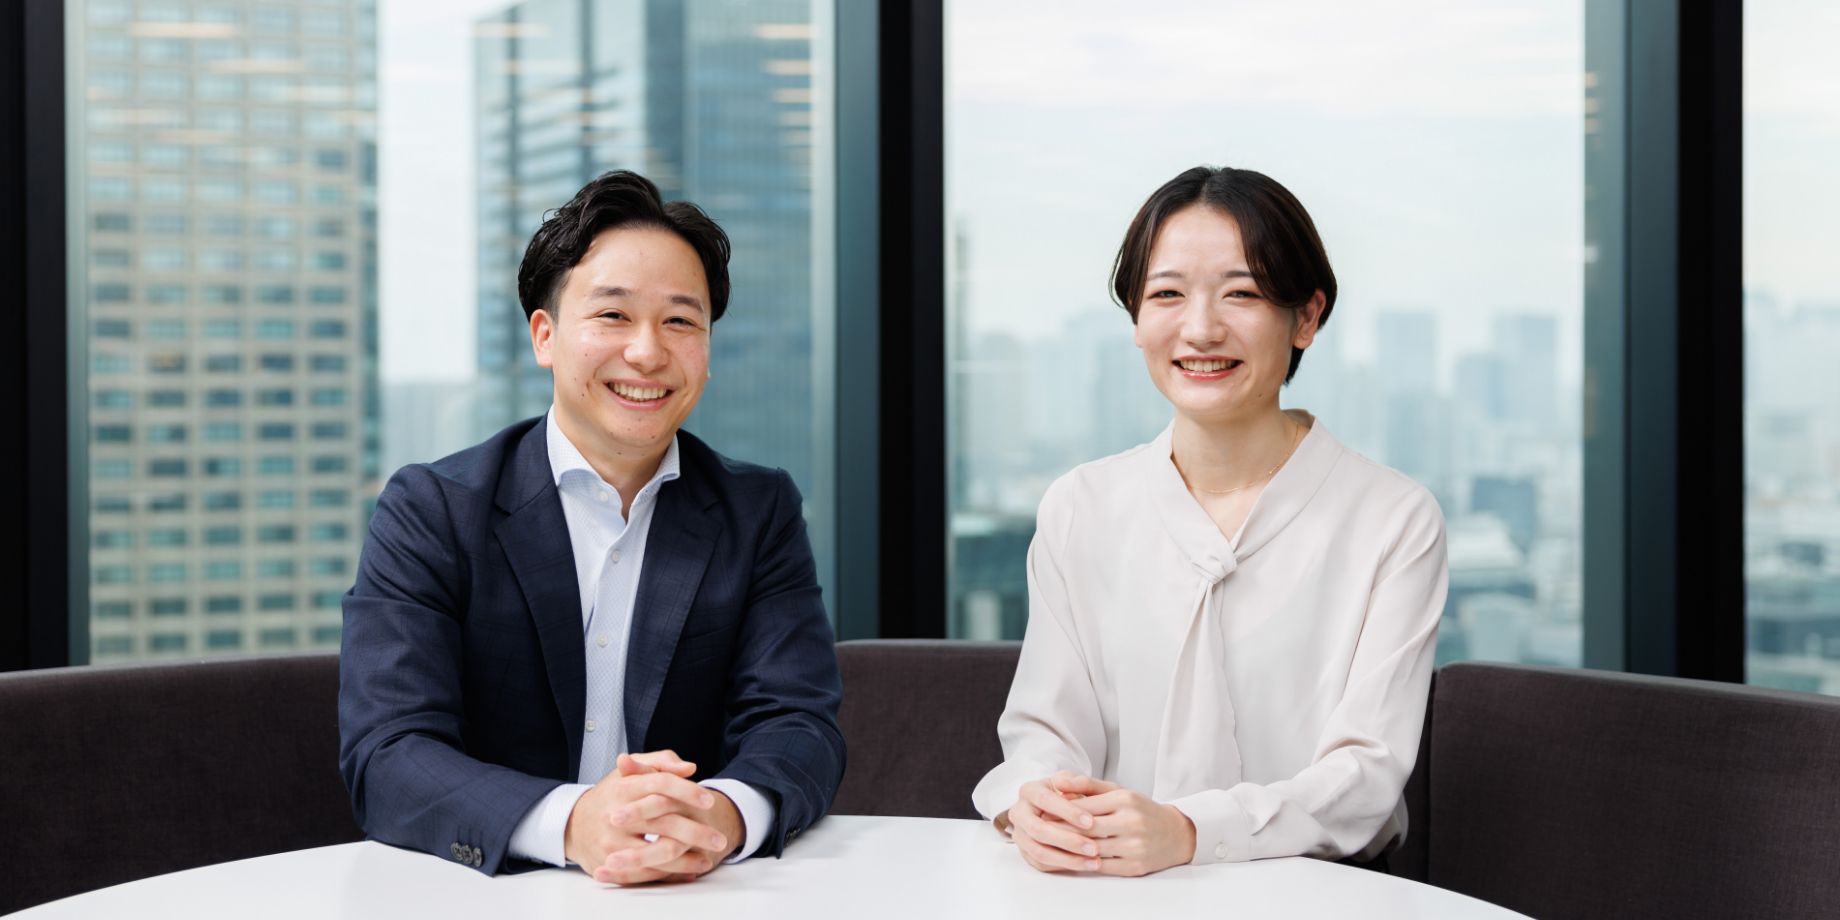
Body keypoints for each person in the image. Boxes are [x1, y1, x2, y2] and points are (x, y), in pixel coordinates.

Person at [339, 171, 845, 885]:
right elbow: (388, 751)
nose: (646, 352)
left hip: (693, 894)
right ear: (545, 336)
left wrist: (719, 817)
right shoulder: (434, 510)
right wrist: (576, 825)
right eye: (612, 317)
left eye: (680, 321)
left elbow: (799, 724)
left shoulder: (756, 511)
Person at [971, 166, 1448, 877]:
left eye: (1242, 294)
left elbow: (1365, 778)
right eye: (1166, 294)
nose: (1200, 328)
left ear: (1308, 317)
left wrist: (1190, 830)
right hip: (1109, 889)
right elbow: (1046, 729)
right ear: (1135, 318)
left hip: (1323, 895)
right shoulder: (1083, 505)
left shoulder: (1392, 519)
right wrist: (1040, 801)